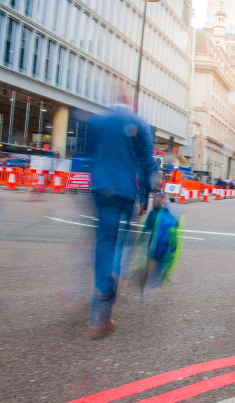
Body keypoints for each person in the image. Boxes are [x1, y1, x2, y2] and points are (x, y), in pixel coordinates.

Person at [85, 83, 157, 340]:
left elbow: (90, 157)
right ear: (132, 102)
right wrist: (146, 197)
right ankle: (101, 311)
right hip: (125, 192)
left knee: (104, 243)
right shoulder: (138, 123)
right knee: (118, 248)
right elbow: (148, 163)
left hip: (100, 190)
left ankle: (99, 308)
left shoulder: (97, 121)